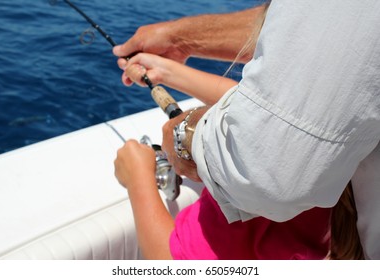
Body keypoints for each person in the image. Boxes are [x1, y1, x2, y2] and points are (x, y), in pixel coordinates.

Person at [113, 0, 380, 259]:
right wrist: (166, 73)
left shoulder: (249, 203)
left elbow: (170, 262)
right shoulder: (334, 162)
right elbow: (257, 105)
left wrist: (138, 177)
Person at [114, 50, 331, 260]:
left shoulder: (259, 185)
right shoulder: (331, 141)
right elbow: (264, 106)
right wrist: (166, 72)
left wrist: (137, 176)